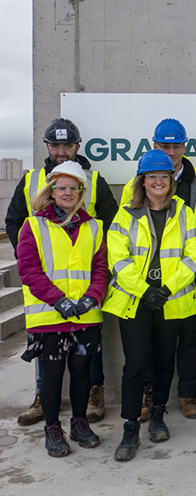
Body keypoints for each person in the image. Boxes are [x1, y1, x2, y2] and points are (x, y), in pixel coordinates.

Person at [7, 118, 118, 426]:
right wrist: (30, 256)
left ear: (76, 147)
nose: (61, 150)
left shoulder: (95, 181)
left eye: (67, 145)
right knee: (49, 359)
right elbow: (14, 221)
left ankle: (95, 393)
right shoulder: (32, 180)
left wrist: (98, 280)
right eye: (55, 145)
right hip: (46, 291)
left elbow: (111, 224)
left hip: (86, 287)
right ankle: (43, 398)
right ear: (47, 147)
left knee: (87, 358)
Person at [106, 149, 196, 461]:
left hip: (170, 299)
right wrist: (144, 289)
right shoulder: (126, 215)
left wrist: (166, 287)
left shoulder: (185, 213)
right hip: (135, 301)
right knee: (136, 364)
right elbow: (117, 258)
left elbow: (194, 254)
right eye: (152, 176)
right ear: (142, 181)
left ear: (171, 180)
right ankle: (130, 428)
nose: (159, 181)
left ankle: (158, 415)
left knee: (165, 361)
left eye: (164, 176)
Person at [120, 118, 196, 420]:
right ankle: (149, 396)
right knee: (151, 343)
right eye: (164, 145)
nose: (171, 150)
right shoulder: (134, 185)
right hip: (148, 284)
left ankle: (187, 393)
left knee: (189, 339)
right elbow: (128, 231)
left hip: (189, 277)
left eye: (176, 145)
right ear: (154, 146)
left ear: (185, 147)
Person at [18, 162, 107, 457]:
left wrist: (91, 298)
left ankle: (79, 423)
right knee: (52, 375)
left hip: (85, 315)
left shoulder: (94, 227)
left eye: (73, 188)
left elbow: (101, 269)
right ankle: (52, 428)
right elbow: (29, 270)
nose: (67, 192)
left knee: (83, 373)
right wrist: (58, 300)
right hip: (49, 315)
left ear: (81, 192)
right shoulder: (33, 225)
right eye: (62, 187)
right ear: (51, 191)